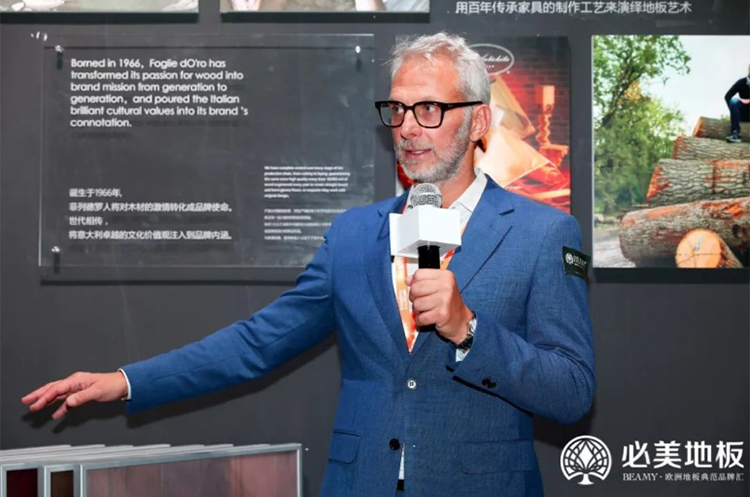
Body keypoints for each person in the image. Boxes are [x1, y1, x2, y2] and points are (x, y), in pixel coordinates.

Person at [22, 33, 595, 497]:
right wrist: (125, 381)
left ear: (479, 122)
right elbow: (257, 343)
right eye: (397, 109)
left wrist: (468, 330)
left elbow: (571, 391)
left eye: (429, 109)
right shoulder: (354, 236)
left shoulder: (543, 233)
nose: (407, 127)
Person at [724, 62, 750, 143]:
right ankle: (735, 133)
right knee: (734, 101)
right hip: (743, 113)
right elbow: (727, 96)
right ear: (749, 70)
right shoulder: (741, 82)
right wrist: (734, 112)